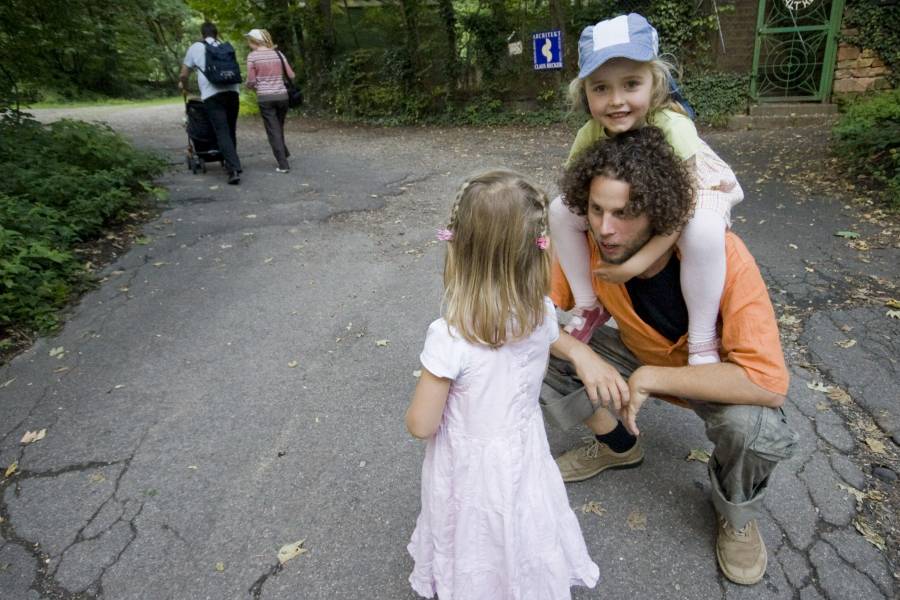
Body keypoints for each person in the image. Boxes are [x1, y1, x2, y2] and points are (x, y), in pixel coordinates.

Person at [541, 127, 798, 586]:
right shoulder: (589, 250)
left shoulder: (722, 254)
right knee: (538, 354)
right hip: (639, 355)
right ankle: (618, 446)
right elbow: (527, 315)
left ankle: (736, 512)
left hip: (711, 374)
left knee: (755, 428)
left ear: (660, 213)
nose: (605, 228)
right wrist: (582, 356)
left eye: (624, 214)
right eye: (596, 210)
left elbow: (767, 383)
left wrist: (651, 377)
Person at [405, 171, 599, 598]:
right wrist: (581, 352)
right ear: (537, 251)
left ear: (458, 250)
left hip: (470, 463)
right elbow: (555, 342)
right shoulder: (542, 314)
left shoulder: (449, 336)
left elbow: (422, 424)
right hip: (523, 445)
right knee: (522, 515)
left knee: (475, 525)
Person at [551, 13, 744, 366]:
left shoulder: (674, 127)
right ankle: (588, 305)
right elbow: (575, 191)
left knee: (701, 230)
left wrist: (633, 265)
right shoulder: (589, 134)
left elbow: (683, 208)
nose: (615, 100)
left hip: (695, 190)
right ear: (585, 93)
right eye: (600, 88)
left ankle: (702, 339)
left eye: (630, 84)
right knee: (559, 209)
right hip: (639, 200)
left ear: (654, 84)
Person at [179, 21, 242, 185]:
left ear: (202, 34)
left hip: (212, 94)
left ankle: (233, 169)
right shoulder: (224, 46)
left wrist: (184, 86)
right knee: (230, 129)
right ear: (216, 33)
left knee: (221, 131)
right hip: (233, 91)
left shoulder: (195, 47)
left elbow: (184, 74)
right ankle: (232, 163)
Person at [245, 28, 295, 173]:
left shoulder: (252, 57)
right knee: (278, 127)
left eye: (249, 41)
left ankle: (283, 165)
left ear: (254, 41)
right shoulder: (278, 54)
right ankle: (283, 152)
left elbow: (251, 81)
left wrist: (249, 85)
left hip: (265, 98)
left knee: (273, 130)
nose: (248, 44)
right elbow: (291, 75)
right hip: (282, 97)